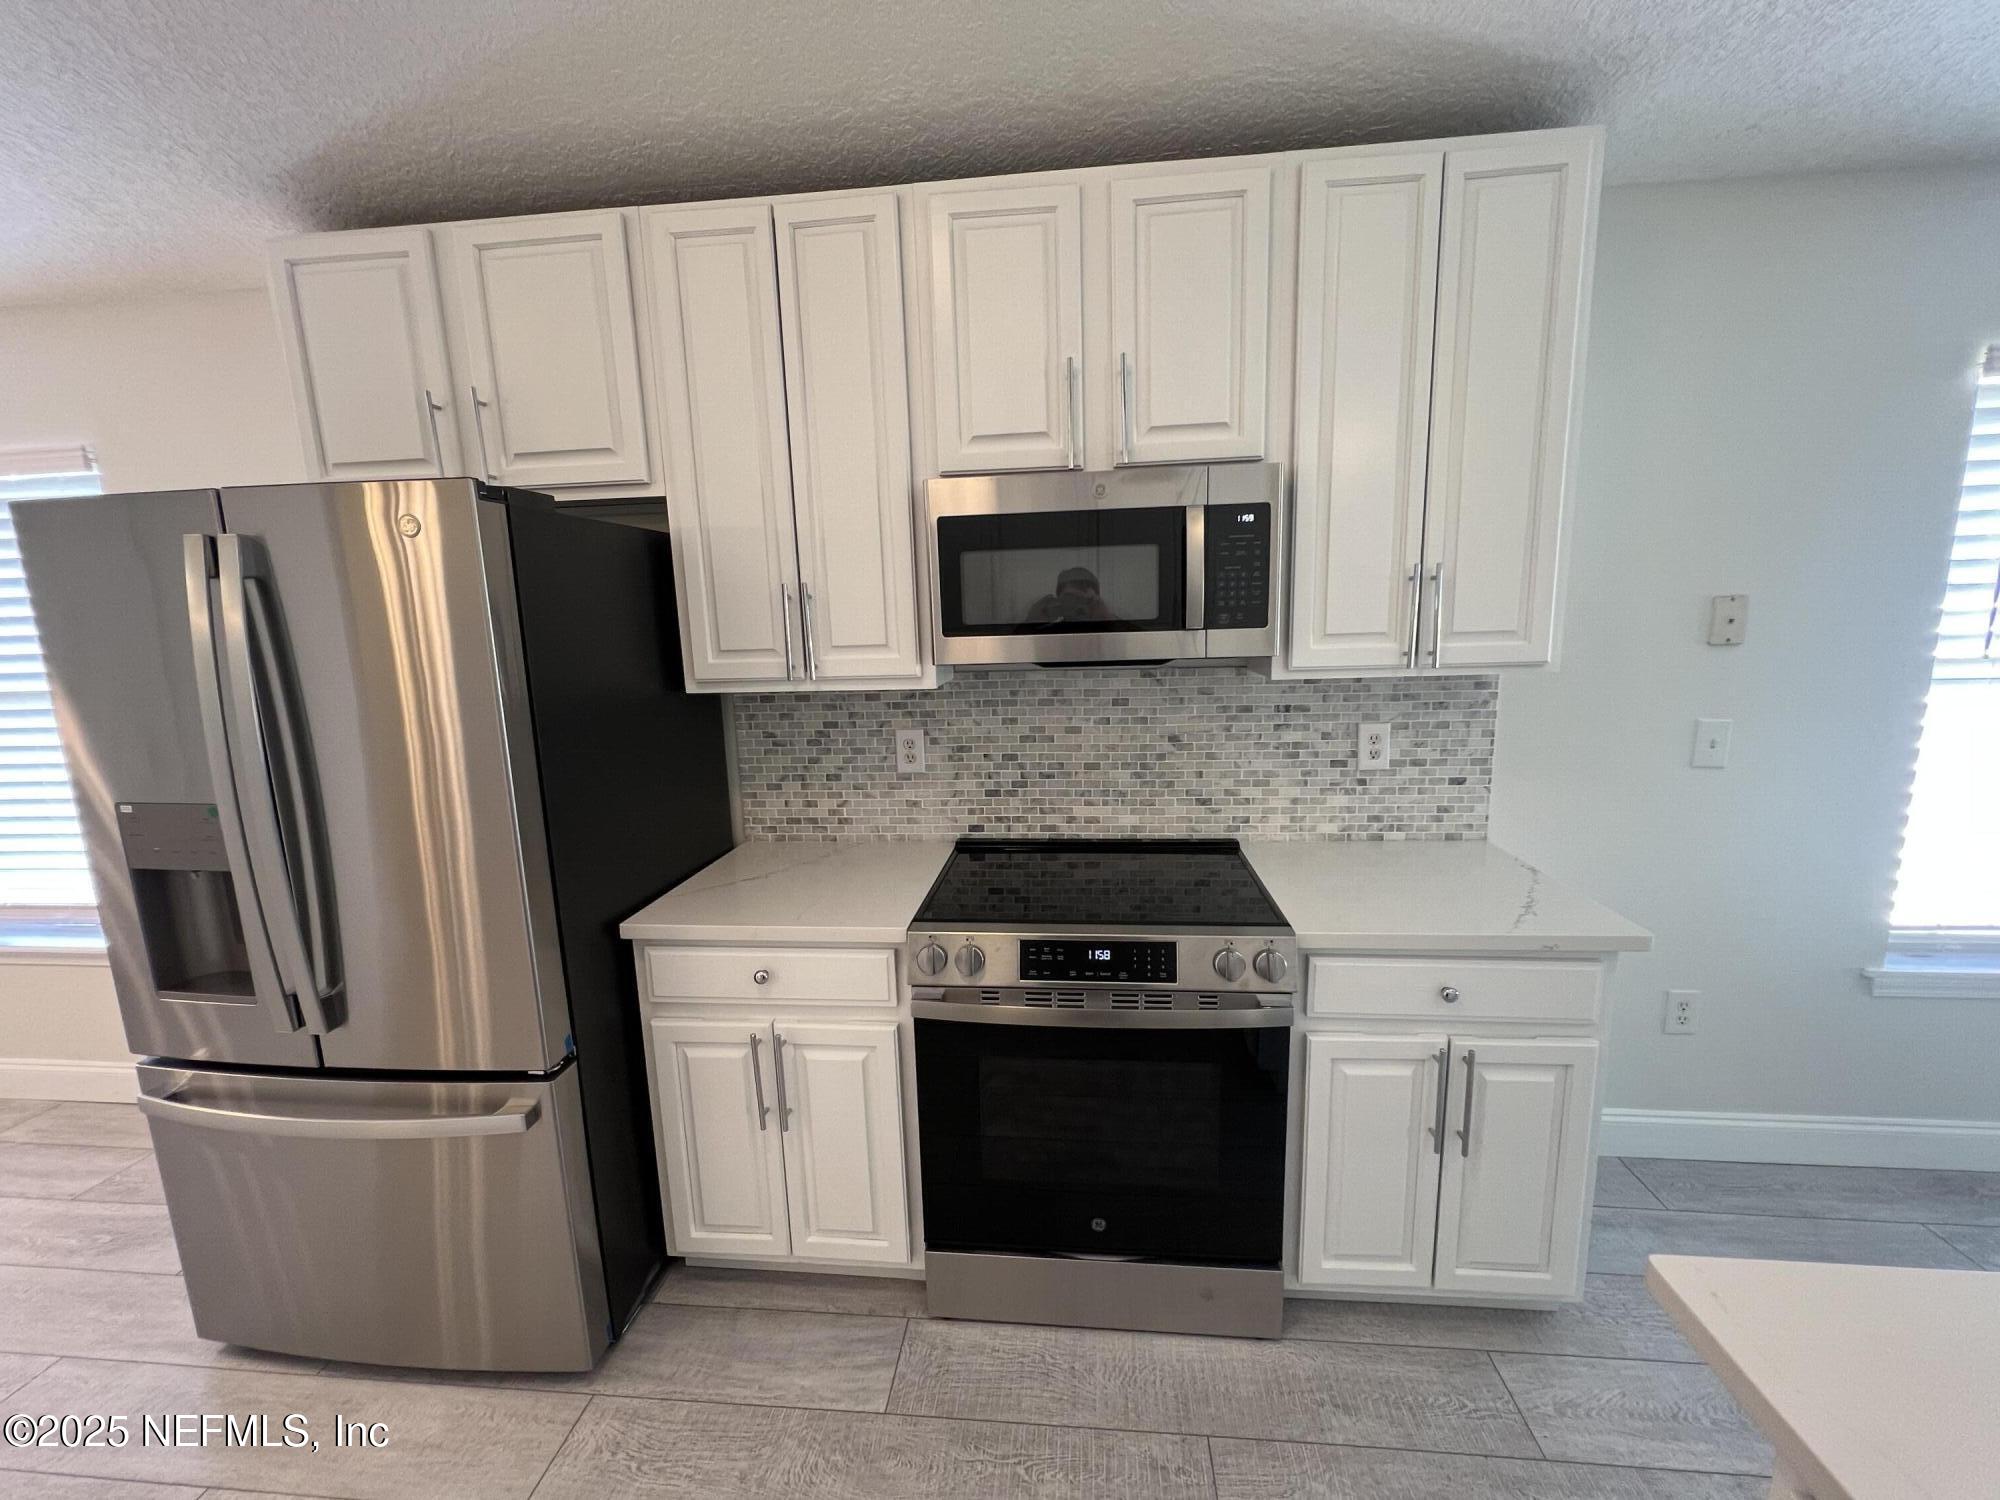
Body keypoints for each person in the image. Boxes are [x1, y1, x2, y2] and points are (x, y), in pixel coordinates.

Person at [1025, 566, 1118, 624]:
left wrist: (1106, 620)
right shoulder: (1049, 622)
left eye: (1085, 601)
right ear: (1058, 599)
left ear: (1096, 601)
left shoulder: (1106, 620)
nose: (1077, 606)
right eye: (1070, 598)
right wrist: (1034, 619)